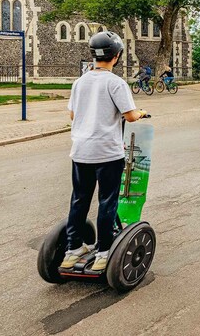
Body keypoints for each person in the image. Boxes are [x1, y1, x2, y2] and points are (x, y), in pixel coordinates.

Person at [61, 31, 147, 272]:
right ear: (117, 56)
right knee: (107, 202)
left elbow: (72, 114)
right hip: (107, 153)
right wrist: (139, 112)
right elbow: (129, 116)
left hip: (80, 151)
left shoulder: (80, 82)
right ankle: (103, 252)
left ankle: (72, 249)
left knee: (79, 200)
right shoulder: (116, 83)